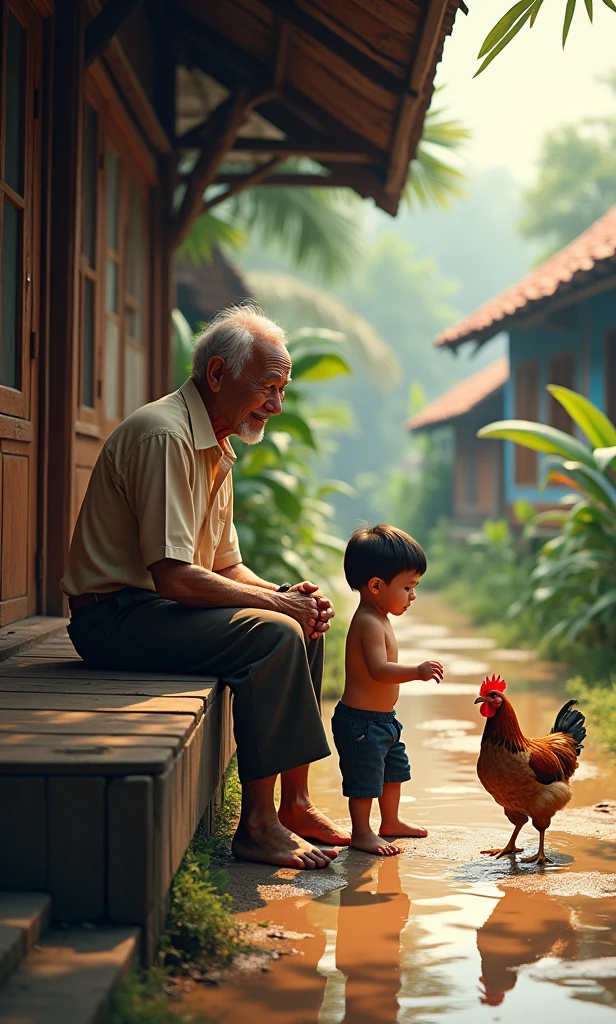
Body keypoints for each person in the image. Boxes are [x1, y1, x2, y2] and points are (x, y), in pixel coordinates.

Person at [61, 305, 350, 870]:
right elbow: (173, 576)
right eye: (267, 387)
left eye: (282, 389)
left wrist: (292, 598)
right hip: (113, 618)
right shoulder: (165, 435)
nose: (276, 404)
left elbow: (225, 566)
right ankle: (257, 827)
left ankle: (295, 803)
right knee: (274, 634)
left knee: (298, 620)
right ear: (217, 374)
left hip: (156, 610)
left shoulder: (216, 444)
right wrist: (276, 605)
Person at [332, 524, 444, 855]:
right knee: (365, 780)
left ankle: (390, 821)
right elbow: (379, 671)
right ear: (377, 586)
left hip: (383, 721)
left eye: (415, 587)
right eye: (408, 587)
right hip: (361, 722)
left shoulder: (380, 616)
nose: (413, 595)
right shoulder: (367, 621)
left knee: (393, 771)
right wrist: (417, 672)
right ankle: (362, 832)